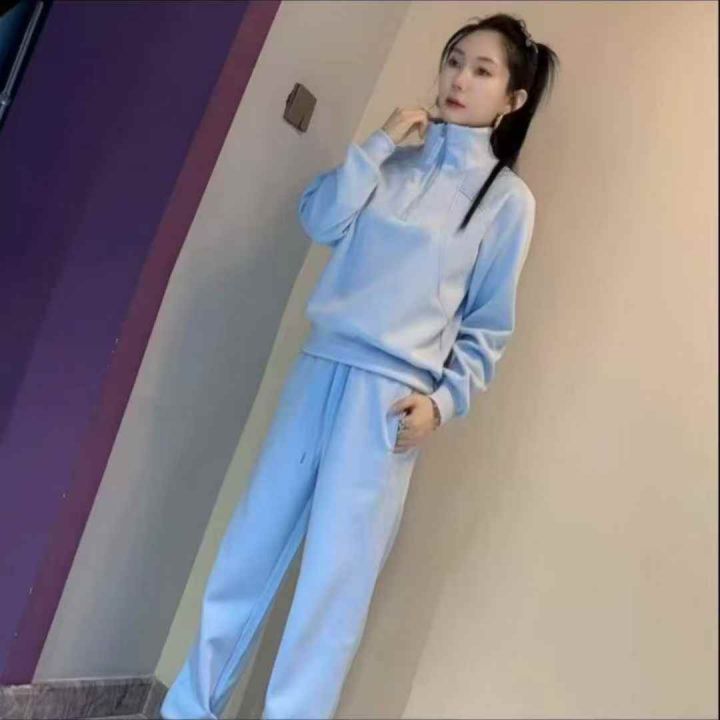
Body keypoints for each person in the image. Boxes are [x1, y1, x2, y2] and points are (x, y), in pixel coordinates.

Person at [160, 12, 559, 720]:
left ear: (513, 99)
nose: (459, 79)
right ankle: (187, 709)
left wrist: (441, 403)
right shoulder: (391, 164)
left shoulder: (507, 202)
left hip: (389, 402)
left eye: (482, 70)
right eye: (454, 60)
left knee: (332, 590)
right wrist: (377, 143)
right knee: (249, 549)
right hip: (320, 368)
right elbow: (319, 220)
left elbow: (487, 327)